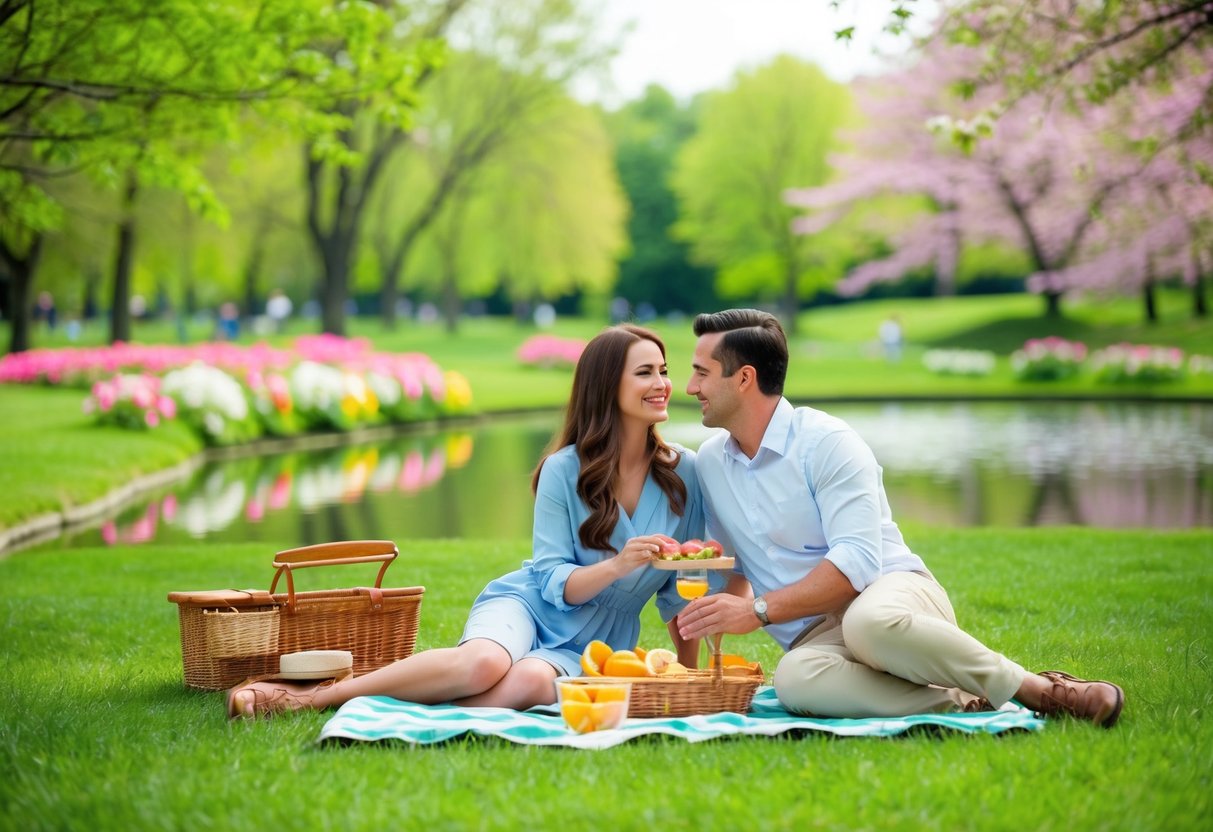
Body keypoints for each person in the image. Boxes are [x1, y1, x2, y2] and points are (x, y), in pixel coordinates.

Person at [676, 308, 1125, 727]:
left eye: (702, 373)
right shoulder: (712, 462)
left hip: (893, 598)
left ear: (744, 379)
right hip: (817, 637)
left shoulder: (827, 443)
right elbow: (734, 567)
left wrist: (757, 611)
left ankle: (1040, 690)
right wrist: (705, 619)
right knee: (794, 679)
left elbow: (856, 565)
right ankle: (963, 700)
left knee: (867, 623)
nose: (691, 387)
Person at [227, 324, 704, 718]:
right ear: (607, 386)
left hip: (601, 639)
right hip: (531, 604)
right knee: (481, 664)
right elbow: (555, 579)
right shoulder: (564, 469)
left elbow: (682, 587)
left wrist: (691, 683)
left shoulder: (684, 472)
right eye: (645, 372)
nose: (663, 383)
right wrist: (618, 565)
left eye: (663, 371)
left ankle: (403, 712)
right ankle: (312, 697)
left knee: (532, 683)